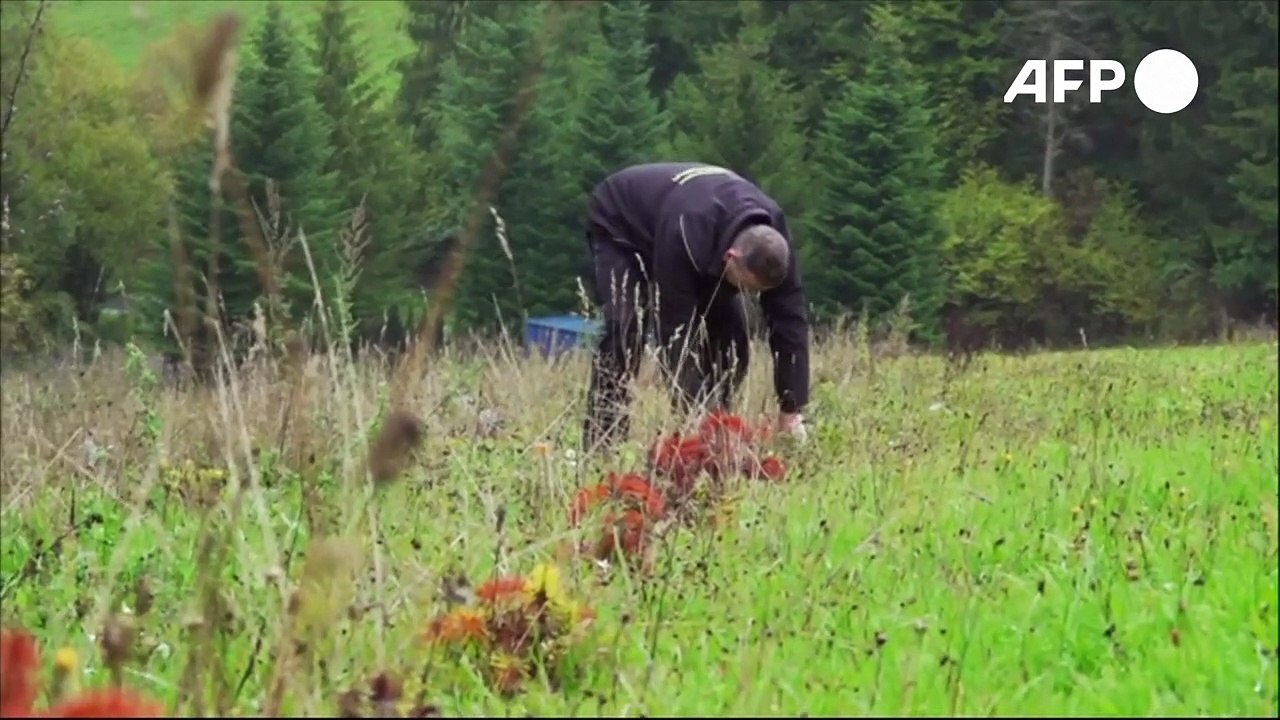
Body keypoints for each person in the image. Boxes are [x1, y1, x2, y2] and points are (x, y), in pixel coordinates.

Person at [581, 162, 810, 454]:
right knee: (625, 329)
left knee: (731, 338)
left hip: (696, 221)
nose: (750, 296)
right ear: (731, 258)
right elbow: (675, 333)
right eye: (747, 287)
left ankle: (718, 433)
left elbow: (790, 321)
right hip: (622, 222)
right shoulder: (686, 233)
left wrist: (792, 408)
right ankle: (603, 442)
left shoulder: (774, 239)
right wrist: (695, 409)